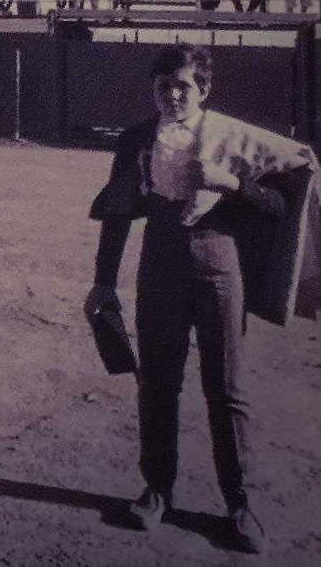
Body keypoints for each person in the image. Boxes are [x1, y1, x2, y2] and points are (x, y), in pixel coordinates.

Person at [85, 43, 321, 554]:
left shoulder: (233, 139)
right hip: (160, 266)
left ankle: (240, 503)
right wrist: (104, 280)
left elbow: (280, 206)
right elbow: (118, 214)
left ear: (204, 91)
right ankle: (157, 489)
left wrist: (231, 182)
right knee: (157, 383)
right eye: (163, 86)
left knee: (227, 388)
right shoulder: (136, 140)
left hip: (219, 265)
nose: (172, 95)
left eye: (183, 87)